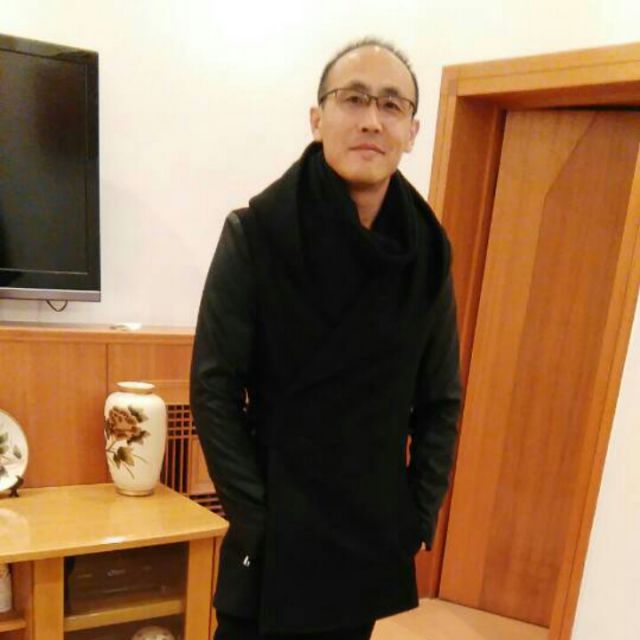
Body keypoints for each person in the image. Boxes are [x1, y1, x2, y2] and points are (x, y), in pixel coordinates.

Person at [190, 37, 462, 640]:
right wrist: (256, 515)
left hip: (366, 527)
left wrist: (418, 513)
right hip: (277, 522)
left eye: (391, 105)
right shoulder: (257, 232)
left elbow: (441, 399)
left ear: (412, 131)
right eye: (353, 99)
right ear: (318, 118)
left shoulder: (426, 253)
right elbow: (213, 389)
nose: (372, 120)